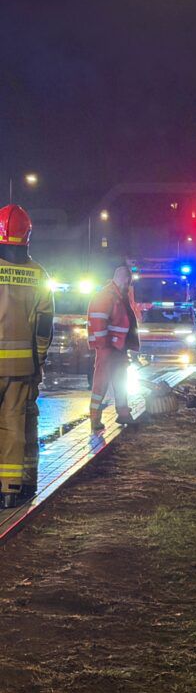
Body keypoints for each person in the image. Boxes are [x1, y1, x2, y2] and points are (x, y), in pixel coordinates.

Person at [0, 205, 53, 507]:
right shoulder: (39, 275)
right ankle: (9, 489)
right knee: (14, 425)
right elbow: (45, 326)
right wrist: (39, 362)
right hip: (22, 368)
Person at [87, 262, 140, 432]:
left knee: (121, 381)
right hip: (108, 348)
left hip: (117, 347)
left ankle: (123, 413)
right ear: (121, 279)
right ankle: (95, 418)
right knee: (101, 383)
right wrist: (104, 347)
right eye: (128, 282)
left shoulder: (118, 295)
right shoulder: (106, 296)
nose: (129, 285)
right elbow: (98, 322)